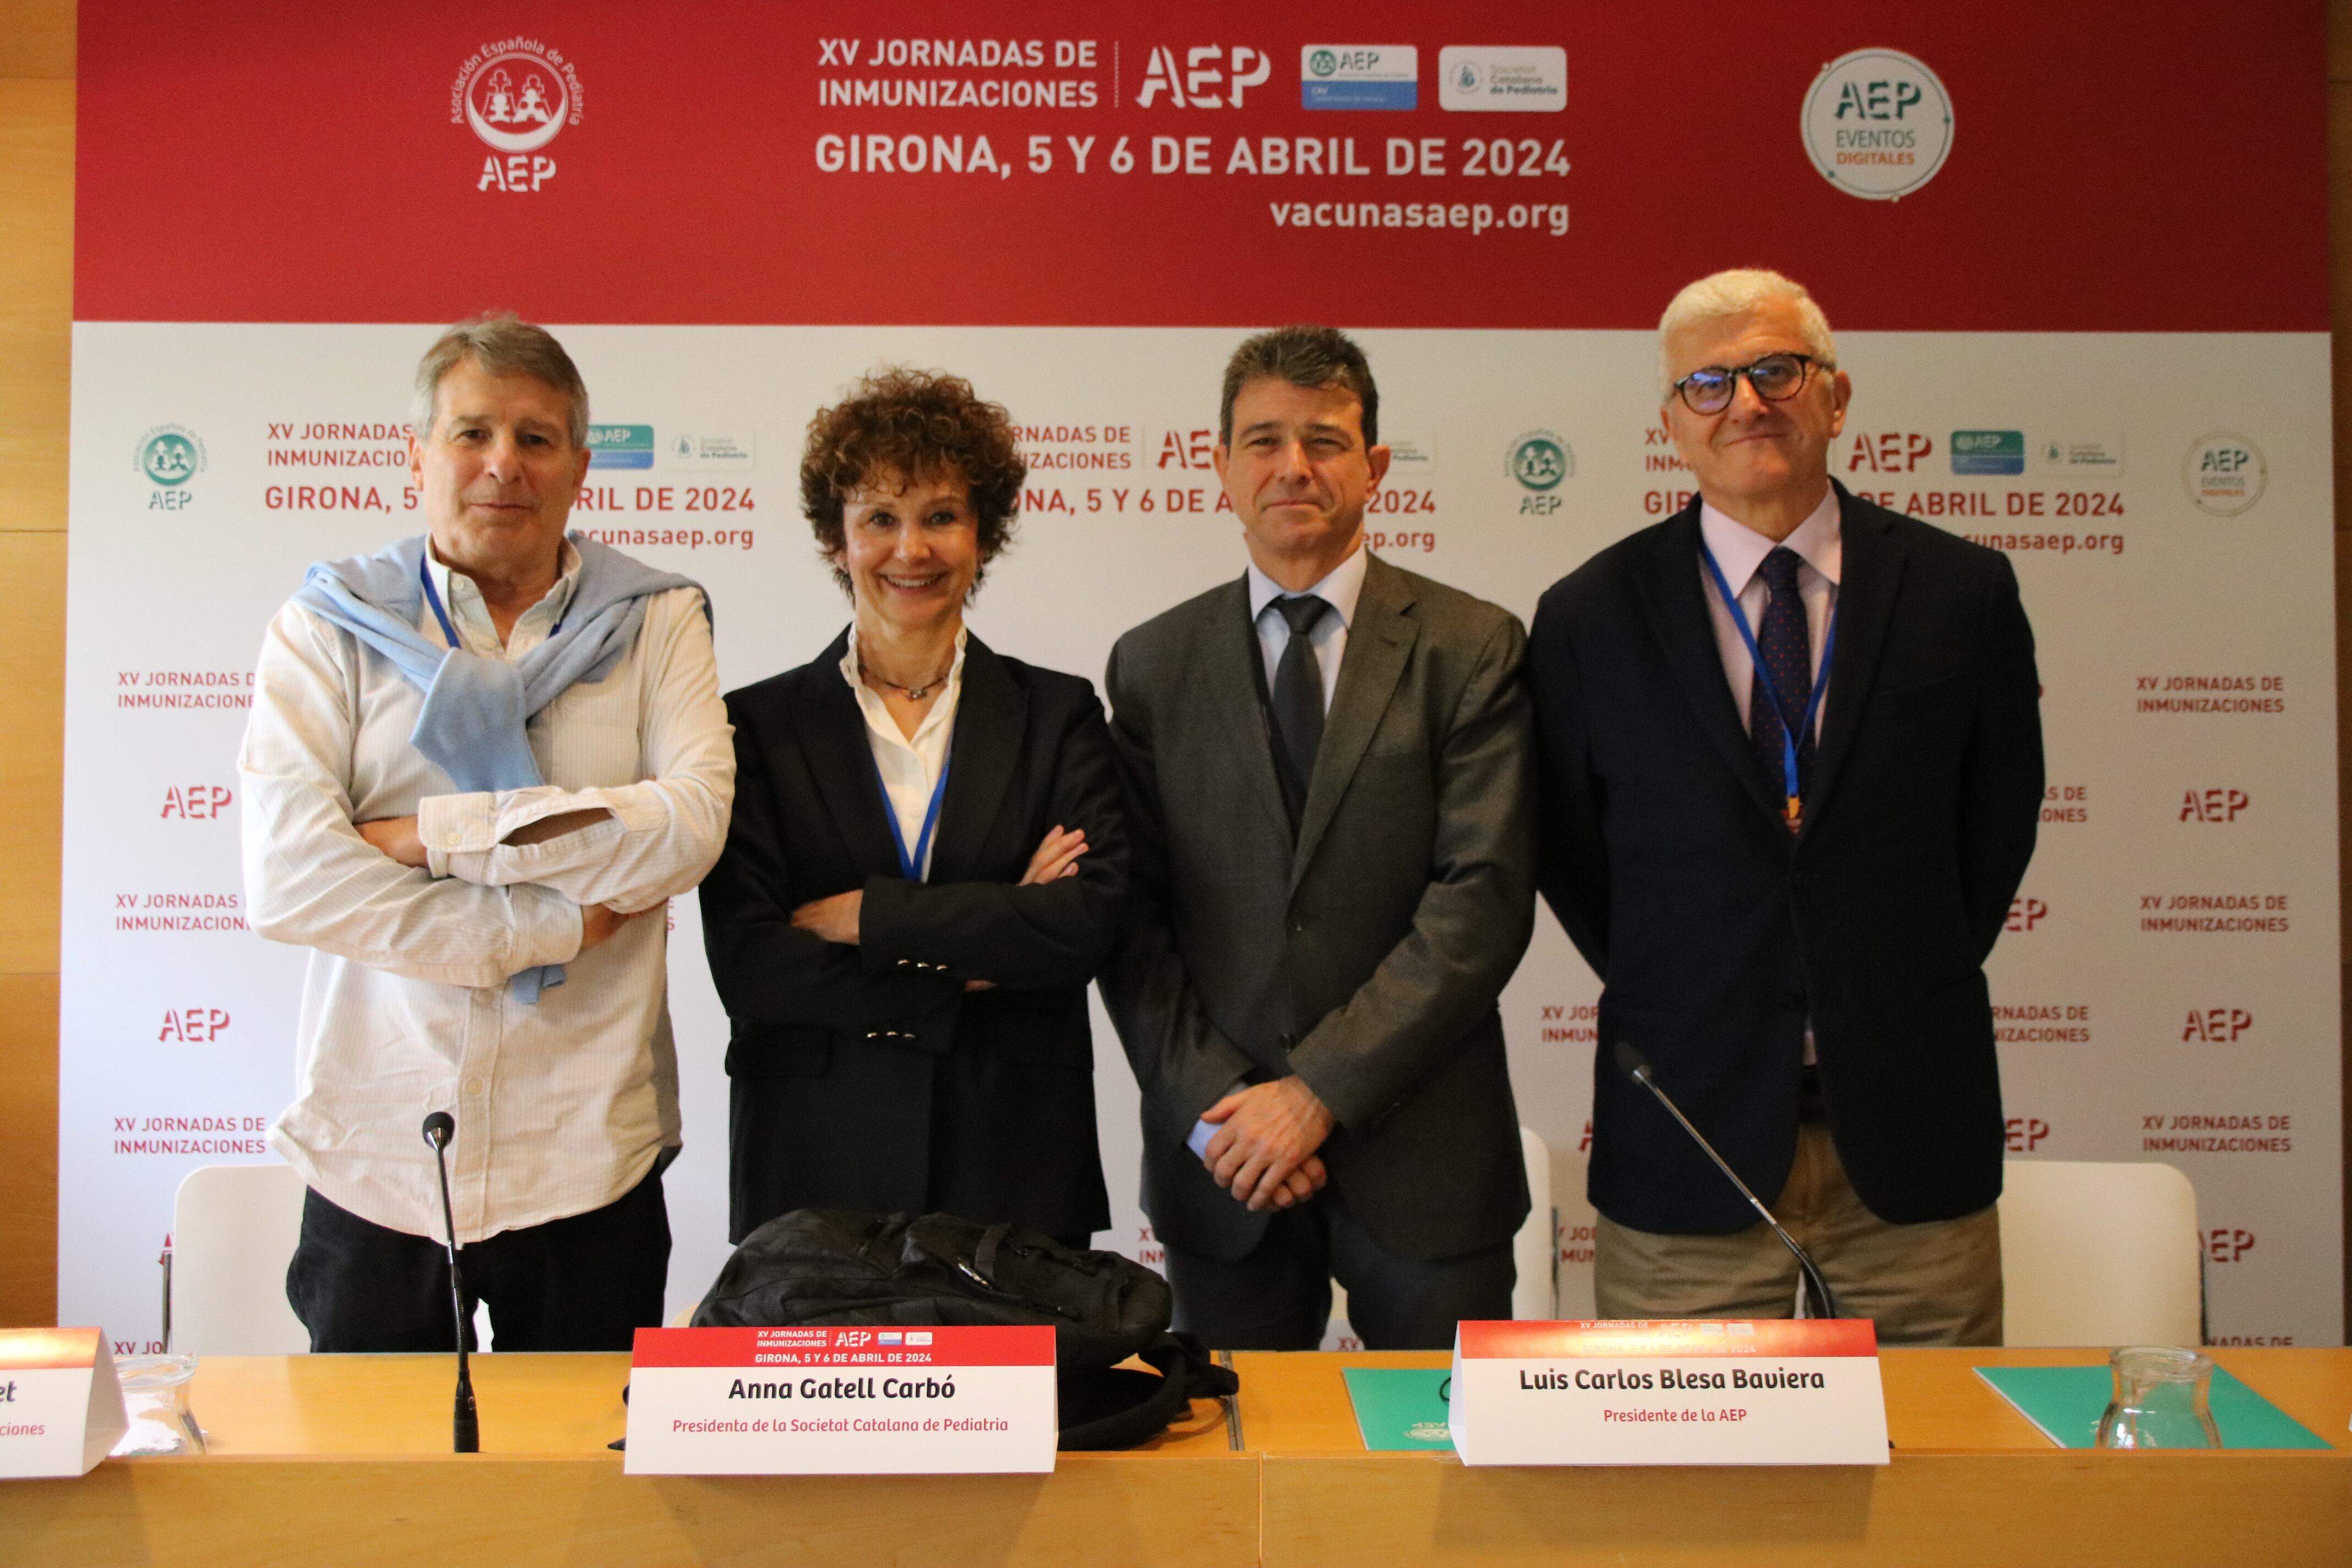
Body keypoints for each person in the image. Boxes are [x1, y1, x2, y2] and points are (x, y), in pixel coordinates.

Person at [1527, 269, 2043, 1344]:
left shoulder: (1964, 593)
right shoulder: (1587, 618)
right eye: (1708, 384)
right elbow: (1572, 854)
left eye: (1777, 370)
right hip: (1689, 1131)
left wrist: (1885, 962)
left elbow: (1994, 826)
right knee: (1686, 1496)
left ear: (1837, 397)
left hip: (1911, 1129)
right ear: (1672, 423)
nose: (1746, 404)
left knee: (1941, 1483)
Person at [241, 312, 734, 1352]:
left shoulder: (658, 621)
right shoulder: (327, 628)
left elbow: (688, 829)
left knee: (587, 1500)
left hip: (588, 1153)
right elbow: (293, 879)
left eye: (536, 437)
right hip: (379, 1154)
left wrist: (433, 835)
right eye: (471, 433)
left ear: (580, 467)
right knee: (373, 1494)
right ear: (416, 453)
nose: (502, 464)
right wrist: (543, 928)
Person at [1102, 325, 1536, 1350]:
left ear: (1375, 465)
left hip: (1428, 1165)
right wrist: (1220, 1102)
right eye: (1262, 441)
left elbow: (1480, 900)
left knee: (1448, 1478)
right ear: (1219, 467)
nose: (1292, 467)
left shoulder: (1471, 647)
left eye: (1325, 441)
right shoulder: (1152, 665)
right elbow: (1128, 920)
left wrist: (1318, 1094)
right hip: (1226, 1168)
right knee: (1227, 1477)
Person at [700, 368, 1126, 1249]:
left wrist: (871, 918)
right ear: (835, 539)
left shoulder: (1058, 714)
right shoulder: (754, 726)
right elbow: (751, 963)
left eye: (941, 516)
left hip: (1012, 1157)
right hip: (816, 1160)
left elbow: (1087, 922)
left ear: (983, 534)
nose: (912, 550)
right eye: (879, 519)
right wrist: (982, 953)